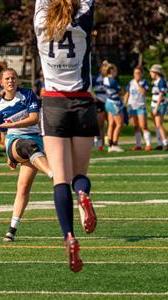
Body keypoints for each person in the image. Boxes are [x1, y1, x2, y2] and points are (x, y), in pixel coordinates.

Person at [35, 0, 98, 272]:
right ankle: (82, 193)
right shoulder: (82, 21)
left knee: (60, 178)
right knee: (79, 175)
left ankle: (68, 237)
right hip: (83, 103)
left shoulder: (40, 24)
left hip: (54, 104)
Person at [0, 68, 53, 242]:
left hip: (34, 141)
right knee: (27, 146)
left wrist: (11, 124)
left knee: (23, 188)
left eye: (13, 78)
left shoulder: (27, 95)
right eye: (7, 79)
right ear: (1, 83)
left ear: (18, 80)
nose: (11, 81)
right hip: (15, 142)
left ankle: (11, 230)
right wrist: (8, 155)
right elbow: (3, 133)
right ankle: (53, 174)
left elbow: (34, 118)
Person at [124, 67, 152, 151]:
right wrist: (124, 104)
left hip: (140, 106)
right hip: (132, 106)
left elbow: (143, 92)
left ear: (141, 74)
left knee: (143, 125)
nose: (137, 75)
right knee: (136, 126)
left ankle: (148, 144)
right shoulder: (131, 82)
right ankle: (138, 144)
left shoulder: (144, 82)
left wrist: (138, 83)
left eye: (138, 73)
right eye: (135, 73)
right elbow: (127, 93)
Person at [103, 63, 124, 152]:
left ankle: (110, 144)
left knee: (111, 124)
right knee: (119, 124)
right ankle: (114, 144)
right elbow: (120, 92)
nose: (116, 72)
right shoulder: (112, 80)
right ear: (111, 71)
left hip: (108, 102)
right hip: (114, 102)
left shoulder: (105, 79)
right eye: (114, 70)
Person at [149, 64, 168, 150]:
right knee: (156, 125)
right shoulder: (155, 81)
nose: (150, 74)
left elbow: (161, 95)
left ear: (156, 72)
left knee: (159, 124)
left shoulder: (161, 81)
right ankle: (160, 143)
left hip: (160, 105)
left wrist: (156, 107)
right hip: (154, 104)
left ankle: (166, 143)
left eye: (151, 72)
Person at [92, 61, 109, 151]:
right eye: (104, 68)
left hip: (109, 102)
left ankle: (109, 142)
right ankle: (99, 143)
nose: (105, 70)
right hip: (99, 102)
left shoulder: (110, 79)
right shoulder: (96, 79)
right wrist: (93, 97)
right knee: (100, 124)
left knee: (111, 123)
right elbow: (90, 89)